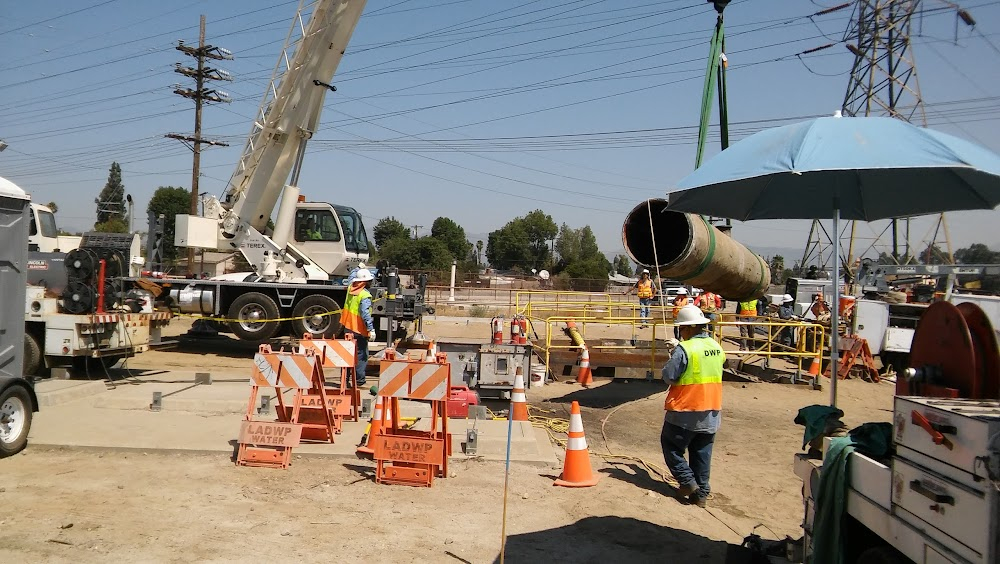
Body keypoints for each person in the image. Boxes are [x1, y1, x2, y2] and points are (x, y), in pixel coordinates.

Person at [661, 305, 725, 508]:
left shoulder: (685, 349)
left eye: (681, 328)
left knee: (671, 447)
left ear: (688, 329)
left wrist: (675, 354)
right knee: (702, 453)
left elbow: (669, 376)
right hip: (711, 411)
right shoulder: (716, 346)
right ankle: (702, 494)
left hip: (685, 410)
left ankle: (688, 483)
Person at [340, 267, 376, 387]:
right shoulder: (364, 295)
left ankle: (344, 380)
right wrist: (370, 329)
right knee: (361, 355)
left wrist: (357, 269)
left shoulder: (351, 288)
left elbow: (351, 278)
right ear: (365, 282)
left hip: (348, 327)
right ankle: (359, 380)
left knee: (347, 354)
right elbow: (365, 313)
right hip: (359, 329)